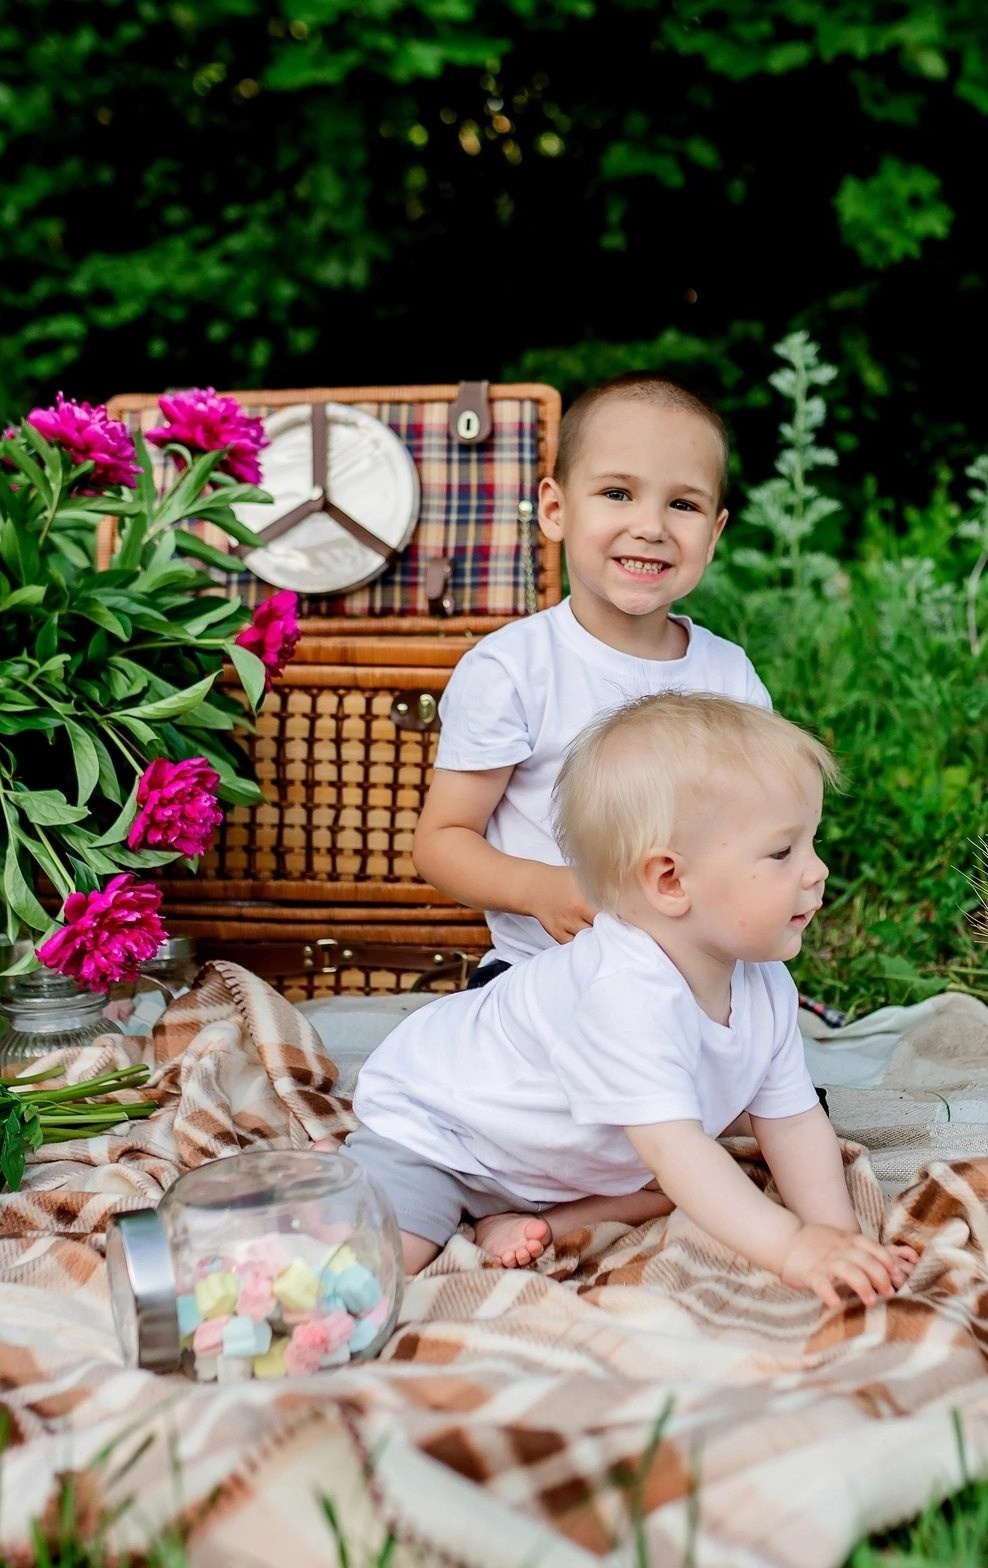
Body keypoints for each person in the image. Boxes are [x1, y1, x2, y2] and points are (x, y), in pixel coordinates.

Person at [347, 693, 916, 1307]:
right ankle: (367, 1174)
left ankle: (516, 1217)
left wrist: (835, 1237)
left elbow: (793, 1122)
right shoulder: (624, 993)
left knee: (705, 1183)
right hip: (445, 1132)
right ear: (670, 880)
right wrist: (792, 1250)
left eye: (810, 844)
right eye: (783, 852)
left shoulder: (763, 983)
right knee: (381, 1263)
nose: (817, 871)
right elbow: (678, 1151)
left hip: (559, 1158)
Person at [412, 372, 769, 986]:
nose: (651, 525)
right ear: (555, 510)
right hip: (546, 970)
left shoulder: (727, 674)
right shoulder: (515, 669)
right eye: (617, 493)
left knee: (758, 1027)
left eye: (683, 504)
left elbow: (762, 824)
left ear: (712, 534)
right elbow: (443, 839)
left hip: (694, 972)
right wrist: (539, 887)